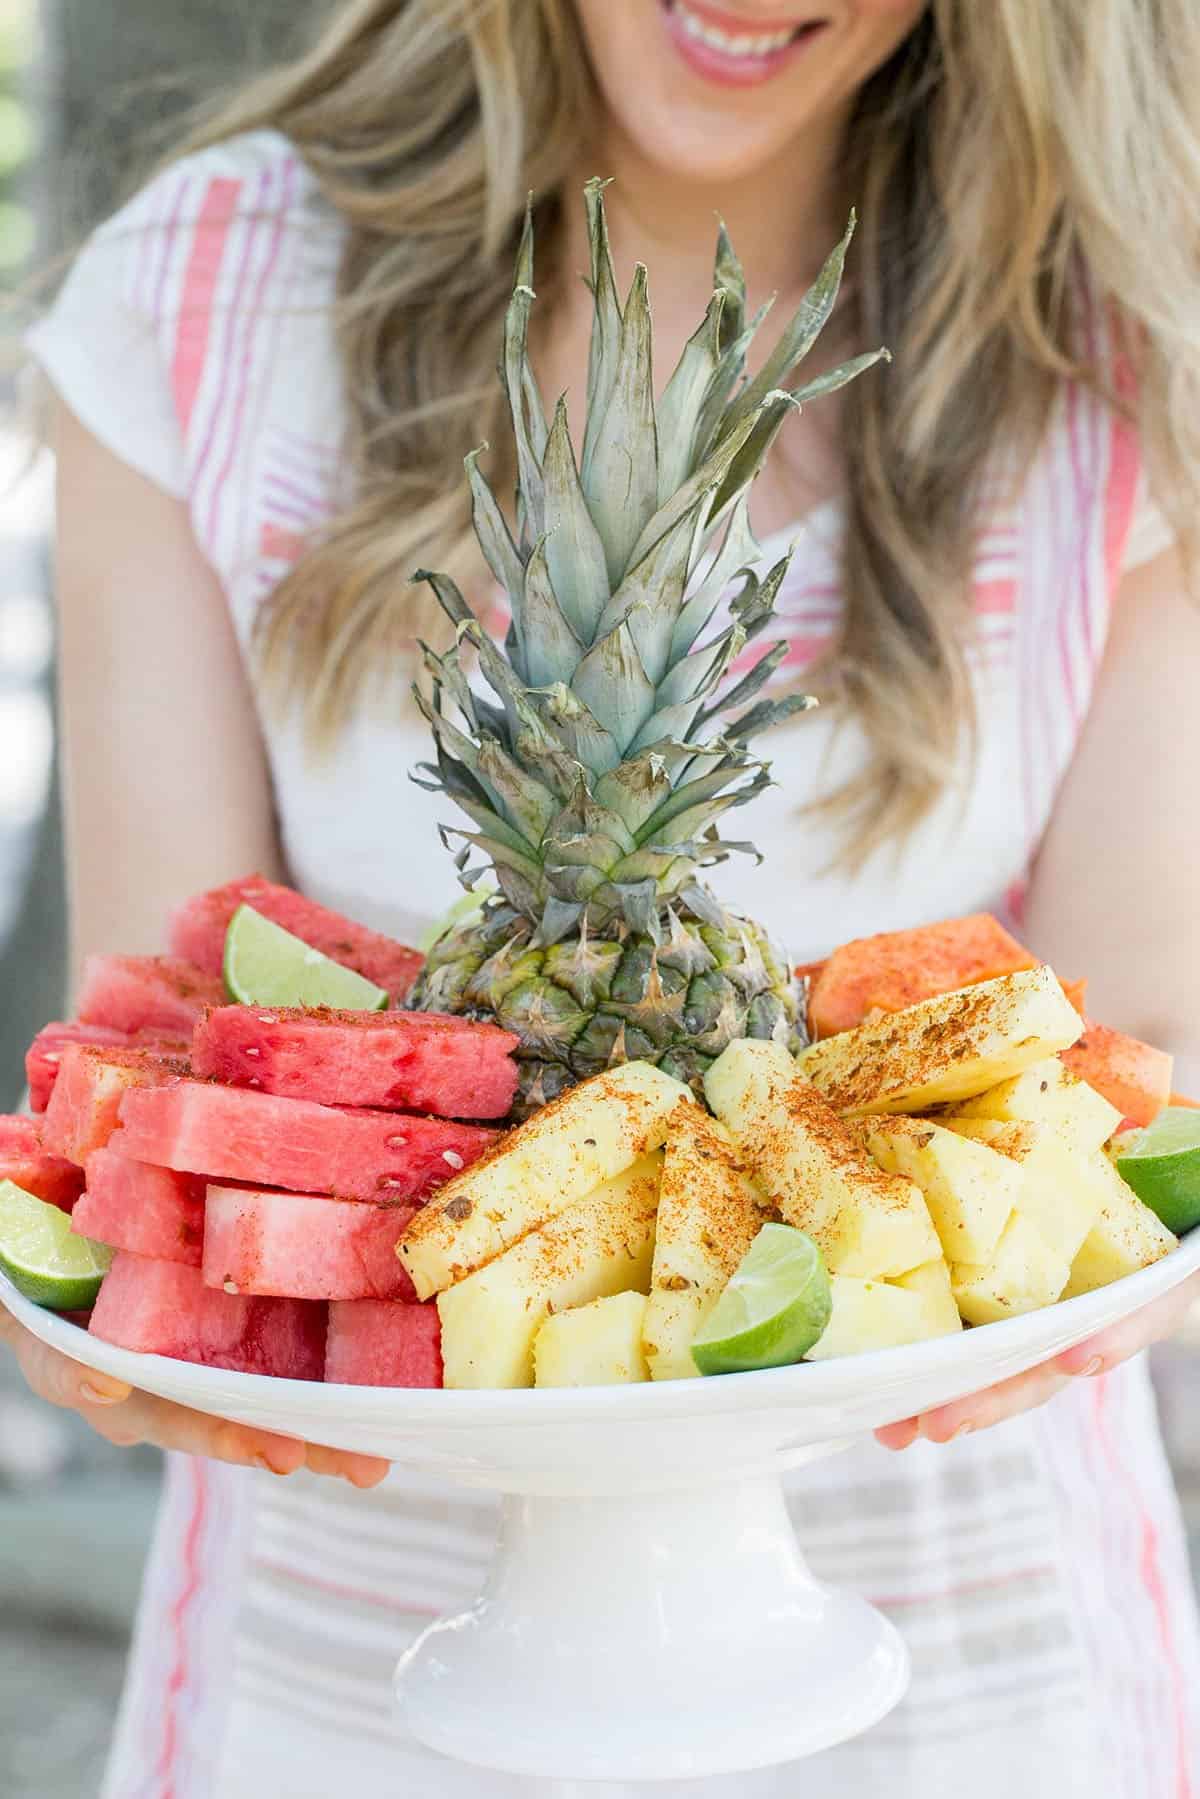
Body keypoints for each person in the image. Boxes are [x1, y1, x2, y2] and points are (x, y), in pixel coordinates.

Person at [3, 0, 1199, 1791]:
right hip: (340, 1666)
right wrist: (103, 1310)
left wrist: (1110, 1271)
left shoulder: (1123, 338)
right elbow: (161, 1054)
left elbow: (1143, 1070)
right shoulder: (203, 297)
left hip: (969, 1661)